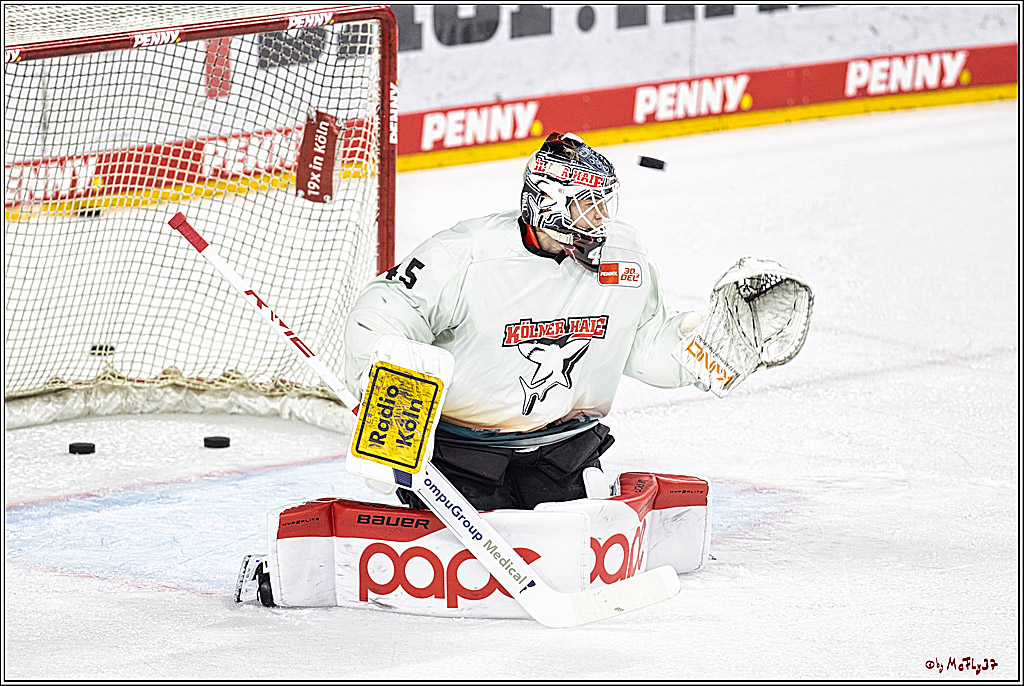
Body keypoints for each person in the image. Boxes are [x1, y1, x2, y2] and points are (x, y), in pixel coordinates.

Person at [343, 132, 705, 511]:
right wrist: (393, 415)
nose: (601, 216)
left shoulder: (625, 255)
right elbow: (382, 312)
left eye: (605, 202)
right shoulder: (465, 254)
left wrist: (705, 347)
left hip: (562, 448)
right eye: (587, 203)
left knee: (569, 549)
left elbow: (644, 347)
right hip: (461, 452)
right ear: (548, 202)